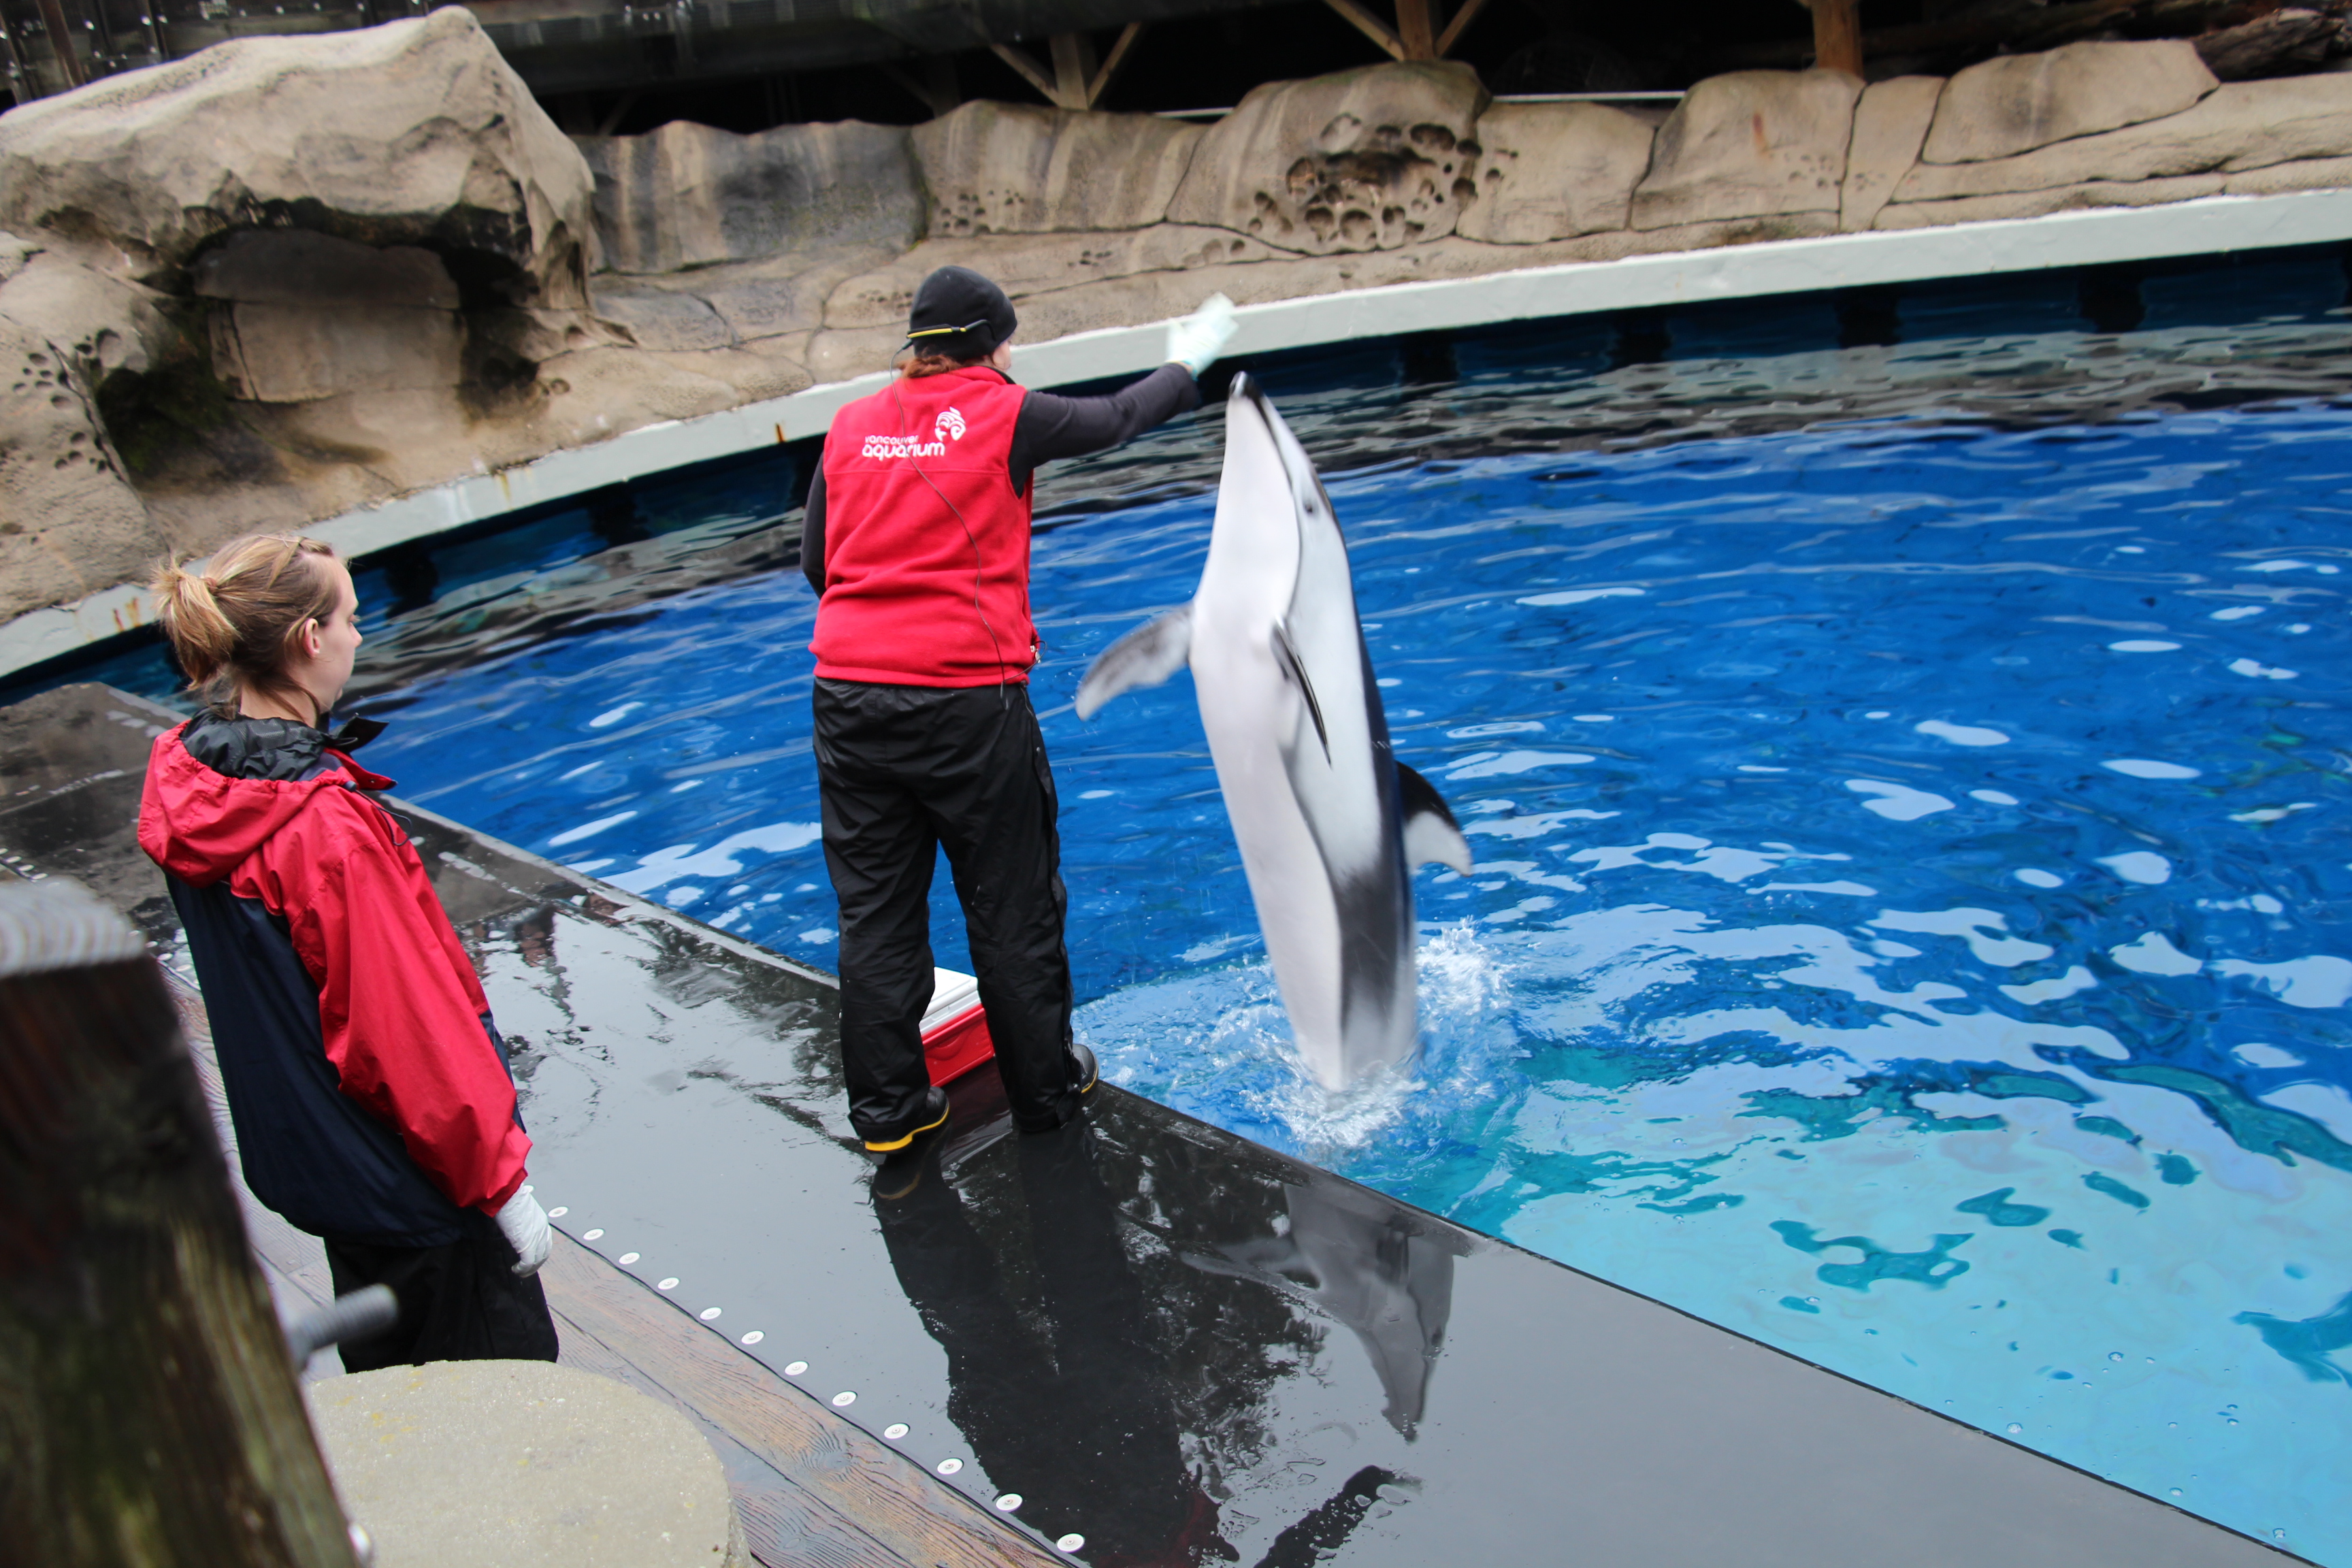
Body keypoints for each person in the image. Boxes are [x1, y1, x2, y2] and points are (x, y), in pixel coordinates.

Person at [802, 266, 1236, 1151]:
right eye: (1007, 343)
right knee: (1011, 906)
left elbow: (819, 562)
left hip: (847, 700)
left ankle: (889, 1114)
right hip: (965, 703)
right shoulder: (1003, 412)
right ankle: (1045, 1093)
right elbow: (1117, 419)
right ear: (987, 346)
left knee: (876, 913)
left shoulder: (849, 427)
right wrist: (1185, 366)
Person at [137, 532, 559, 1369]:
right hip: (415, 1187)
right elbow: (403, 1035)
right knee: (503, 1401)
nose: (359, 637)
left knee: (392, 1383)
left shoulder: (198, 782)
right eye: (351, 618)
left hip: (329, 1168)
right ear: (309, 638)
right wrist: (500, 1184)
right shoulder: (323, 828)